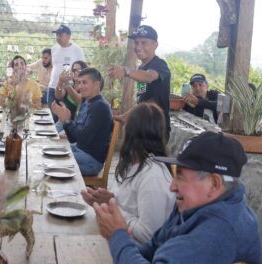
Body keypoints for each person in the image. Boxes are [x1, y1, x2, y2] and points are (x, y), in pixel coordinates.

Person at [93, 131, 261, 263]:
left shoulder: (218, 230)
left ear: (214, 184)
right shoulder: (192, 206)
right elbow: (153, 249)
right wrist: (122, 242)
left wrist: (118, 236)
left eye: (180, 176)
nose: (172, 186)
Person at [81, 102, 174, 244]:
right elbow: (125, 204)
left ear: (130, 131)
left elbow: (148, 235)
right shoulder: (130, 163)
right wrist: (101, 201)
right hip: (119, 241)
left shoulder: (153, 175)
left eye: (126, 125)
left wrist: (113, 207)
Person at [109, 25, 171, 140]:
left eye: (143, 43)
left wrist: (125, 70)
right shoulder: (141, 68)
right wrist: (124, 116)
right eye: (136, 43)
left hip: (156, 129)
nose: (138, 47)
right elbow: (144, 101)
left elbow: (149, 77)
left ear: (155, 45)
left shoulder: (160, 65)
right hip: (142, 126)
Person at [51, 68, 112, 176]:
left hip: (91, 161)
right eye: (79, 83)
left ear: (97, 84)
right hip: (81, 151)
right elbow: (73, 138)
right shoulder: (86, 103)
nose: (80, 87)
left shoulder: (100, 106)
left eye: (84, 82)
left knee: (52, 160)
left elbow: (83, 139)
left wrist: (67, 120)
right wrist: (65, 121)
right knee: (51, 149)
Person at [48, 25, 85, 115]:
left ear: (68, 36)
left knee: (63, 115)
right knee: (51, 117)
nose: (58, 37)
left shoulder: (76, 49)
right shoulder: (53, 49)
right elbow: (54, 66)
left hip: (68, 89)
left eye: (60, 35)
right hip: (52, 87)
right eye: (57, 35)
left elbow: (83, 68)